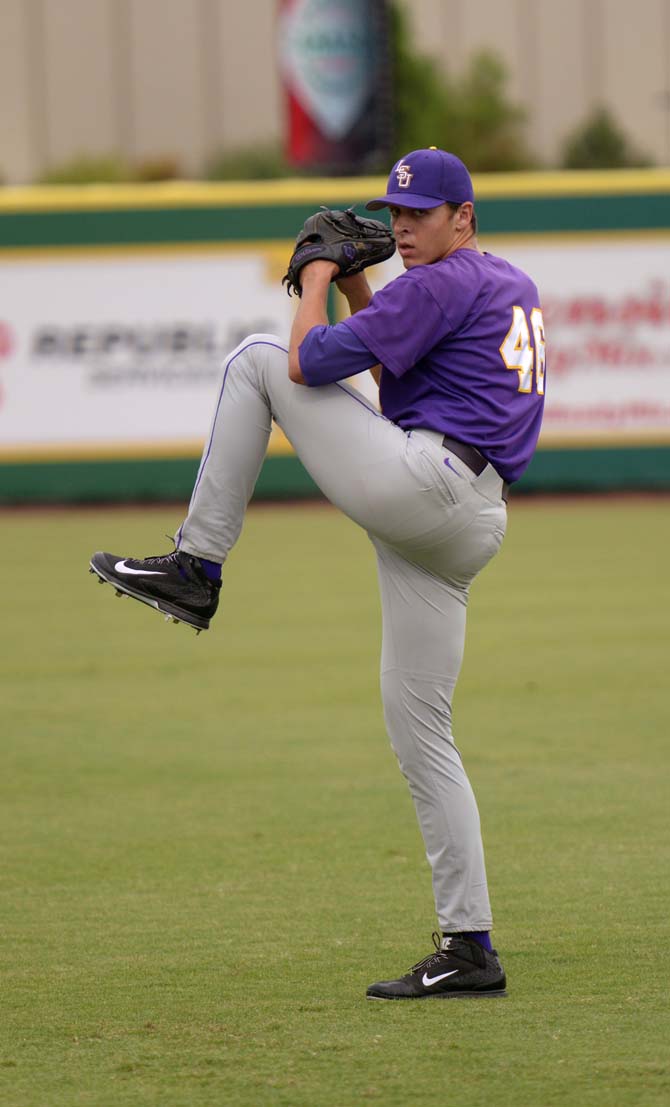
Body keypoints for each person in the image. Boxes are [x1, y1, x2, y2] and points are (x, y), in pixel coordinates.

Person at [90, 147, 546, 1000]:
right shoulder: (497, 282)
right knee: (423, 738)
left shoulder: (440, 284)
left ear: (465, 217)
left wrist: (316, 271)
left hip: (431, 485)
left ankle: (196, 565)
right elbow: (391, 374)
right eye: (396, 212)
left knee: (258, 360)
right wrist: (349, 288)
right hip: (466, 516)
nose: (405, 225)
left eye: (422, 212)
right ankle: (471, 945)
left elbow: (305, 364)